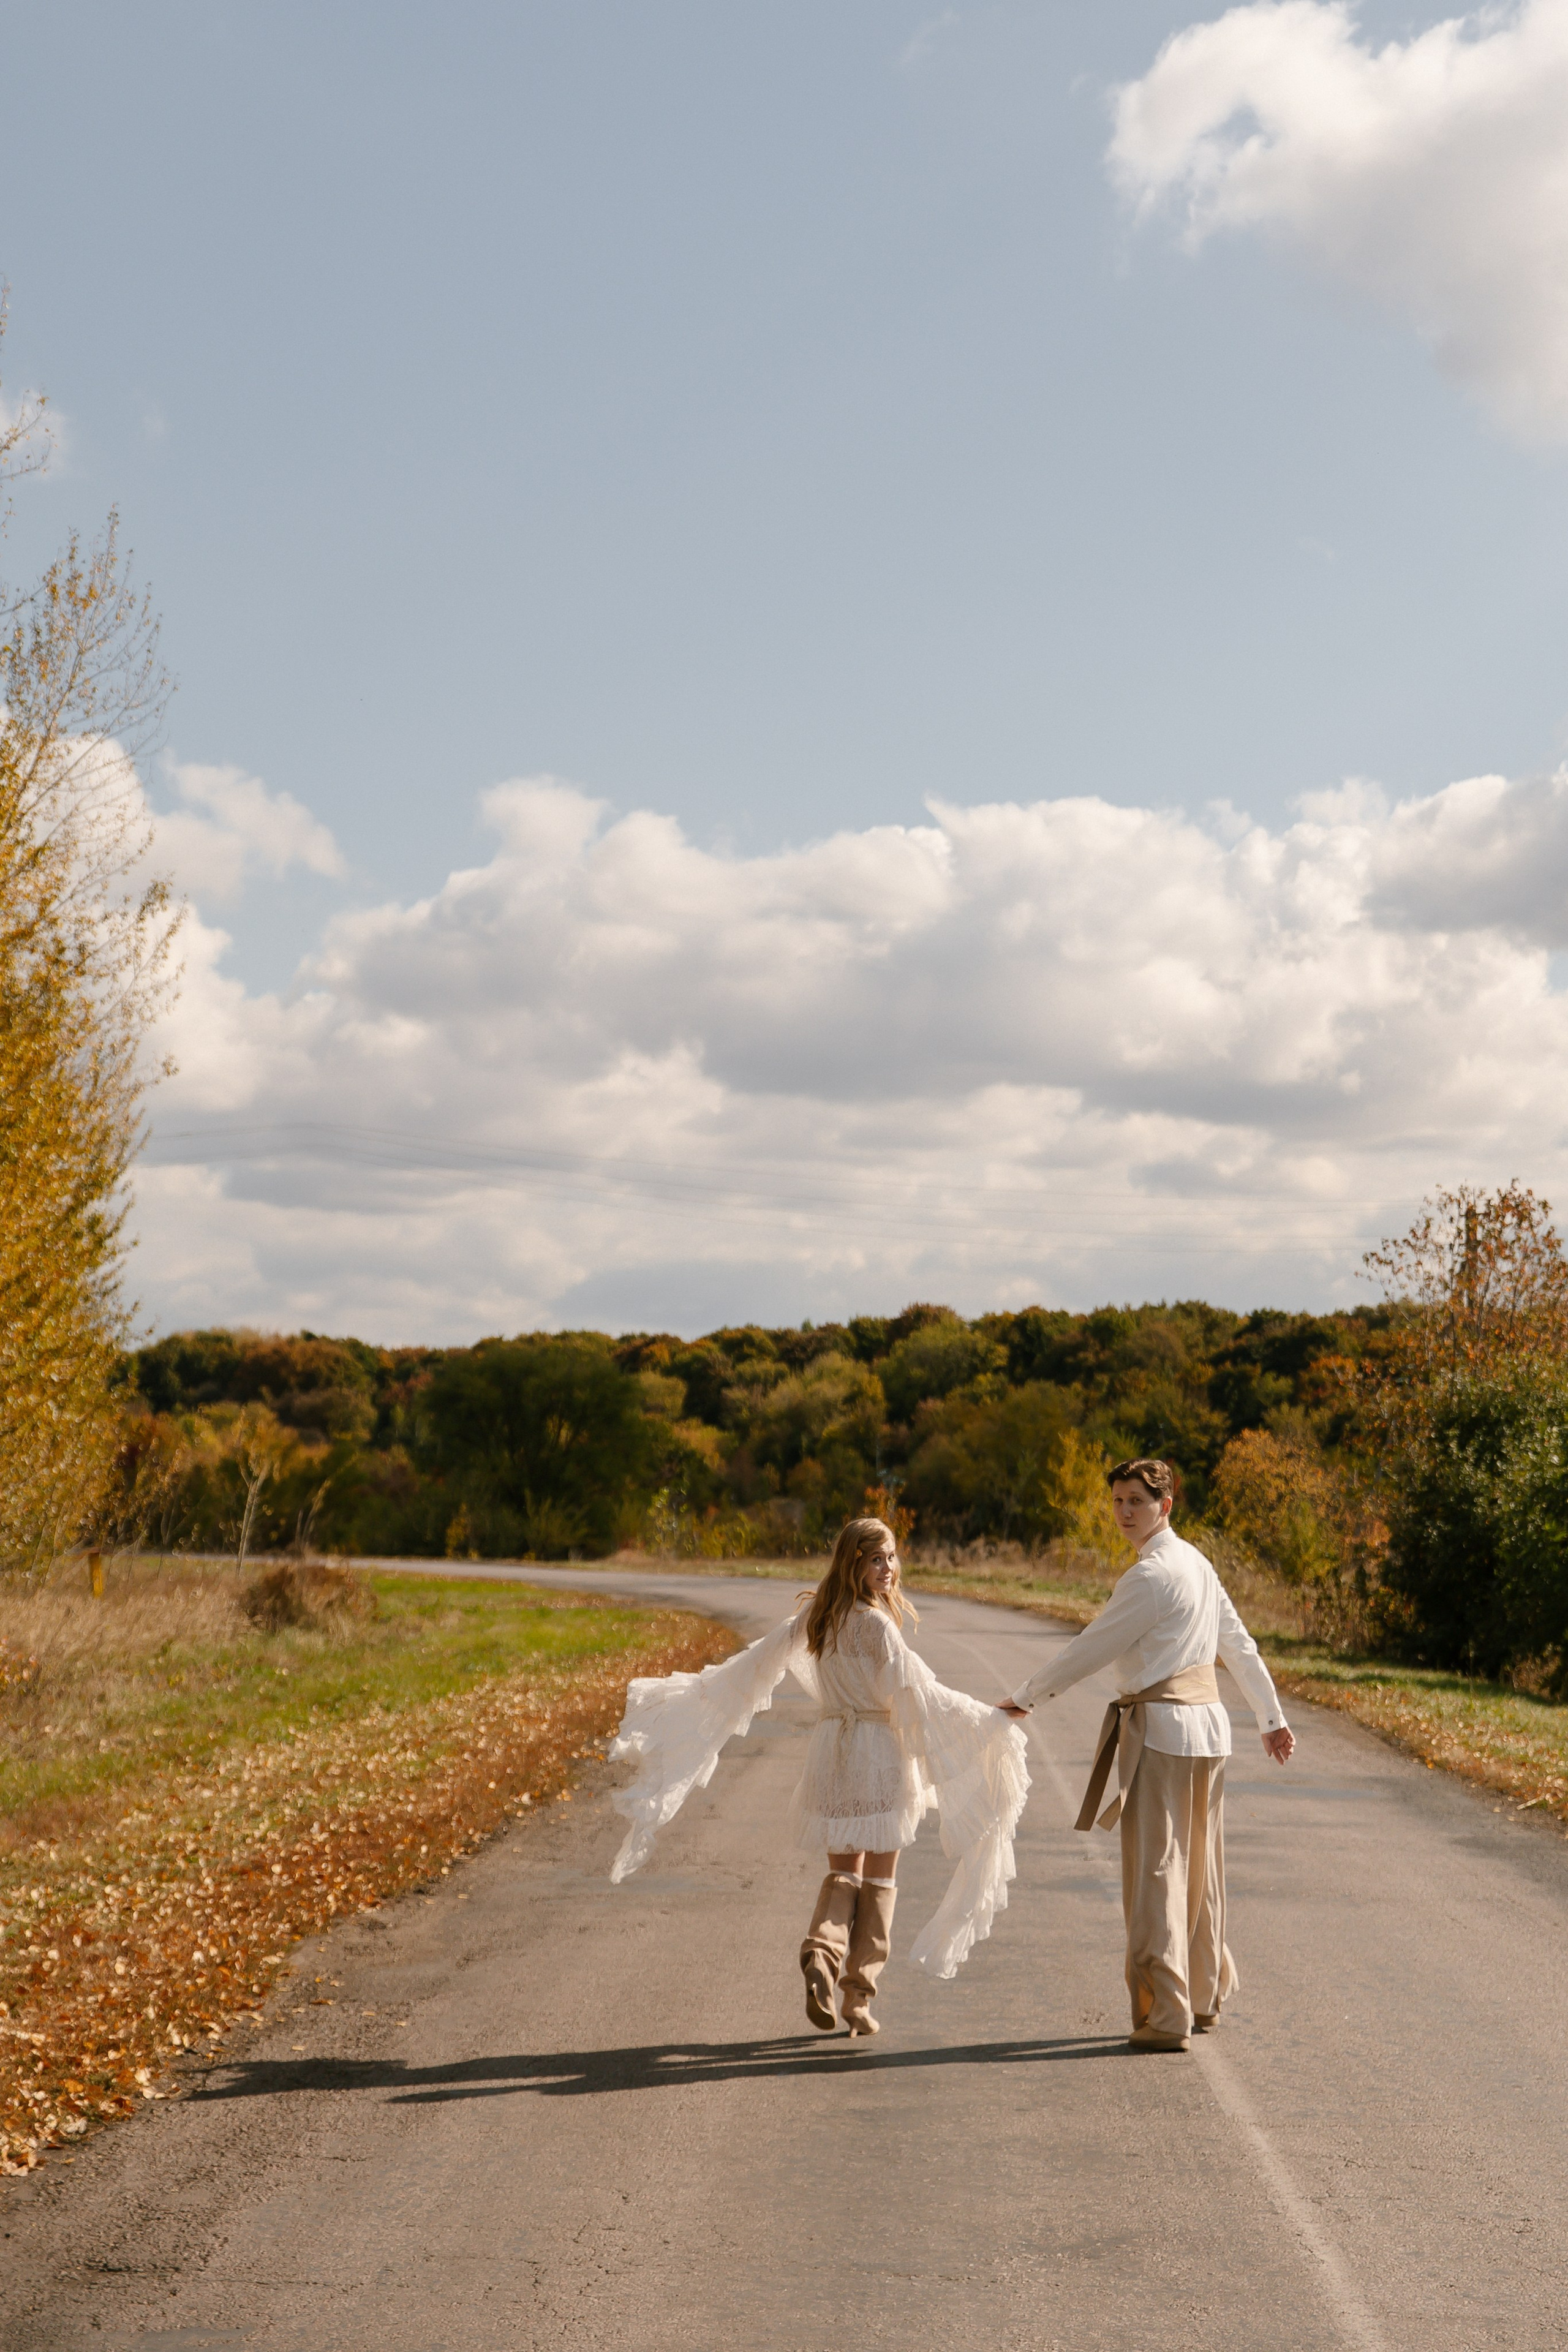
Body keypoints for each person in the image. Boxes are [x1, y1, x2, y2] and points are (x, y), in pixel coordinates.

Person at [608, 1516, 1030, 2035]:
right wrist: (990, 1719)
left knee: (842, 1874)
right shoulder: (876, 1626)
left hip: (833, 1752)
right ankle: (858, 1997)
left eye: (892, 1557)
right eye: (877, 1559)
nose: (889, 1568)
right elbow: (922, 1695)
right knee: (878, 1878)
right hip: (877, 1754)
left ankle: (822, 1957)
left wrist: (699, 1697)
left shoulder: (818, 1618)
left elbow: (755, 1664)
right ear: (853, 1563)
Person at [1000, 1459, 1294, 2053]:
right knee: (1201, 1871)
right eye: (1116, 1501)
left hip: (1161, 1732)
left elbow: (1093, 1645)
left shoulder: (1152, 1576)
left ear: (1166, 1505)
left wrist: (1027, 1695)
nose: (1124, 1512)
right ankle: (1204, 1997)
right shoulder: (1198, 1565)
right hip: (1208, 1733)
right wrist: (1270, 1717)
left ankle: (1166, 2013)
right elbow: (1237, 1645)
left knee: (1157, 1873)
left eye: (1136, 1500)